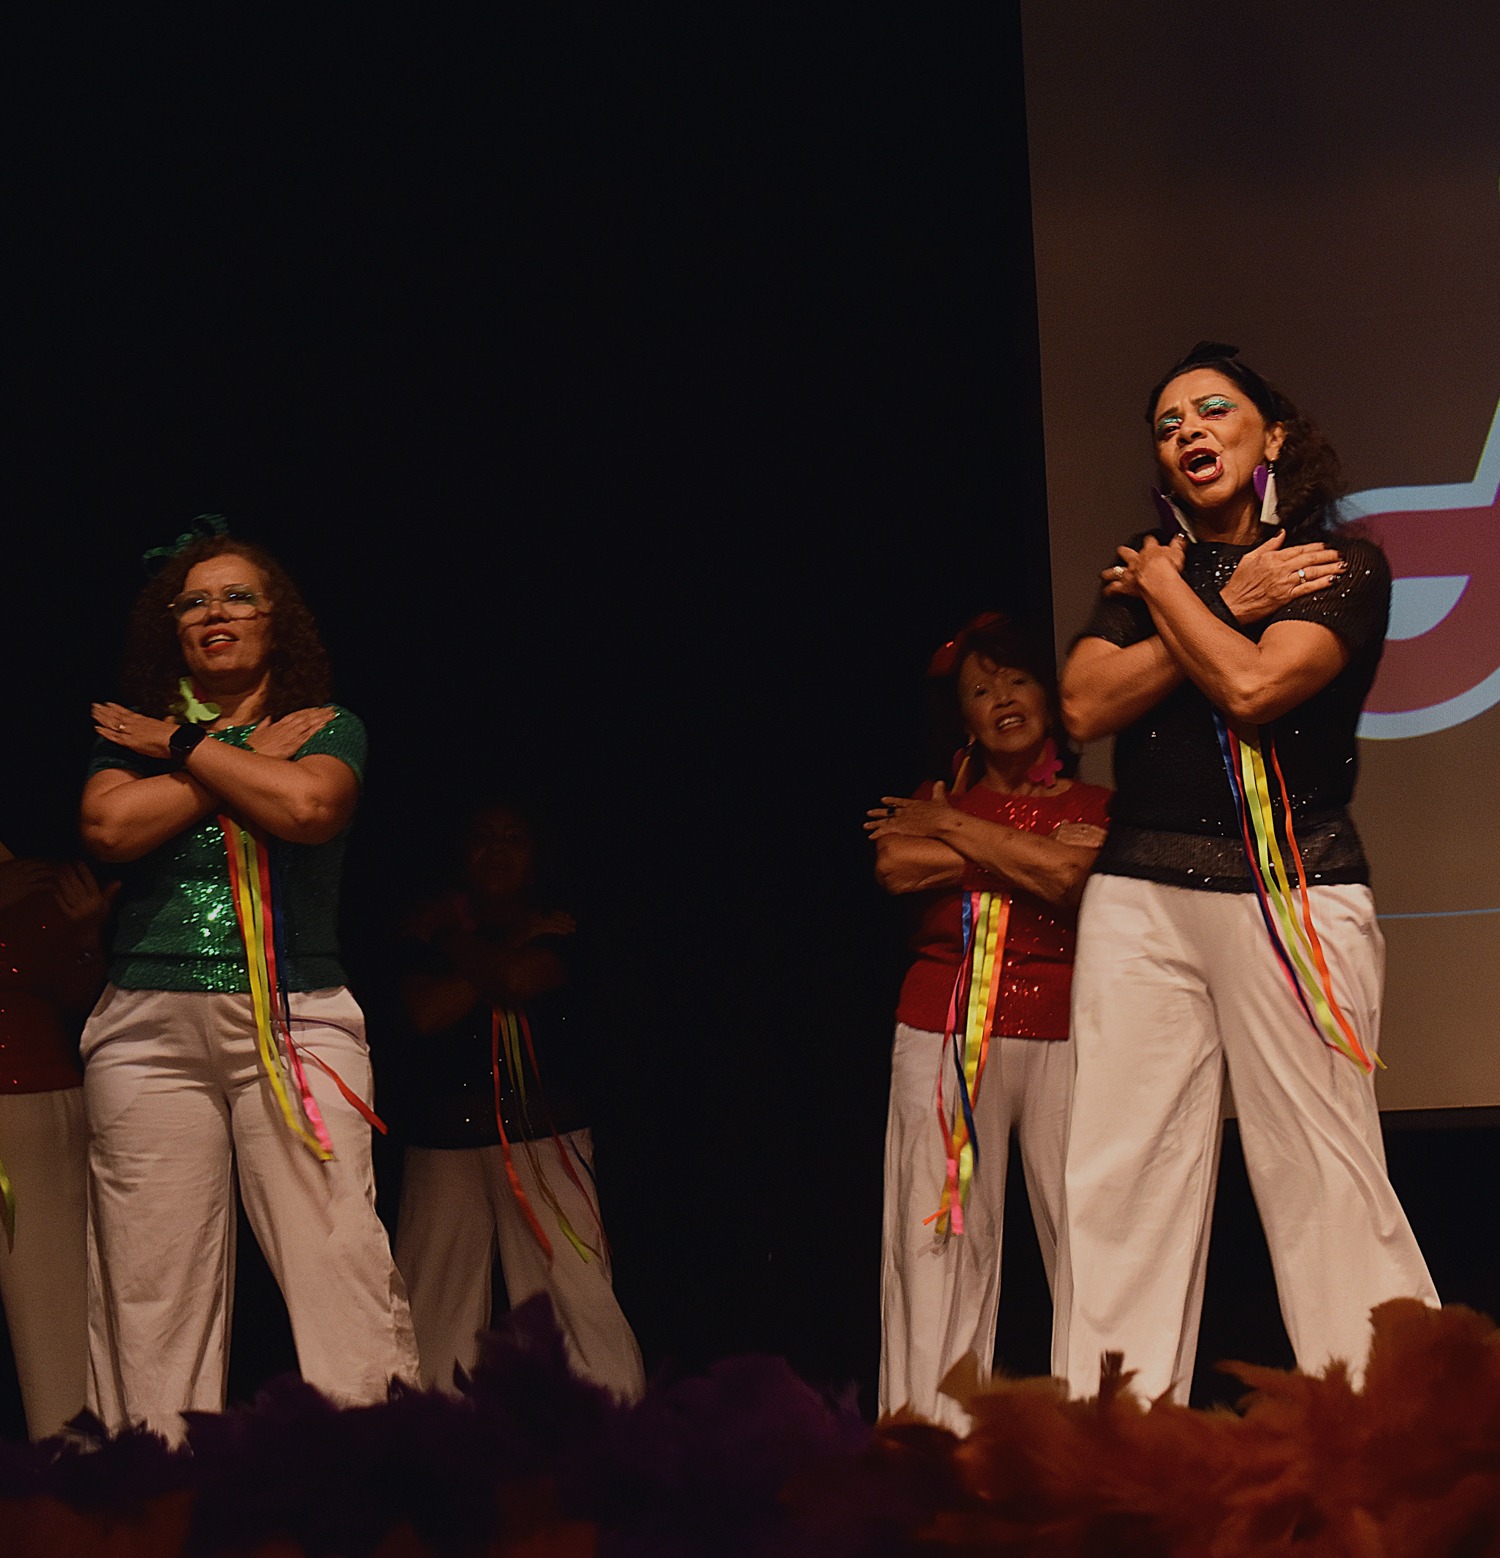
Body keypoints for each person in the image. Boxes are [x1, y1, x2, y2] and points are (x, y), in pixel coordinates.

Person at [1051, 341, 1438, 1405]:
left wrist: (1182, 599)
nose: (1188, 430)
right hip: (1140, 897)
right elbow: (1082, 704)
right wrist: (1207, 596)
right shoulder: (1151, 573)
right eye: (1168, 423)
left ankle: (1394, 1432)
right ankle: (1109, 1443)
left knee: (1323, 1170)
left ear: (1273, 436)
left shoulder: (1336, 565)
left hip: (1294, 891)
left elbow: (1258, 689)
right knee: (1119, 1177)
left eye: (1213, 409)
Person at [79, 527, 418, 1437]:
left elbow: (307, 806)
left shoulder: (327, 726)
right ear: (172, 628)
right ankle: (154, 1487)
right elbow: (109, 830)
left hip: (296, 1017)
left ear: (276, 621)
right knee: (150, 1283)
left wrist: (183, 748)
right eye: (193, 601)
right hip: (145, 1026)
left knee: (336, 1257)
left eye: (236, 596)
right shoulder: (135, 733)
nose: (214, 612)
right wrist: (225, 747)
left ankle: (378, 1477)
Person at [865, 614, 1110, 1430]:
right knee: (938, 1239)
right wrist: (1029, 849)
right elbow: (897, 865)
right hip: (941, 1029)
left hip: (1064, 1031)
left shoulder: (1098, 807)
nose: (1002, 697)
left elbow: (1073, 879)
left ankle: (1101, 1439)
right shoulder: (929, 804)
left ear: (1051, 698)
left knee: (1087, 1234)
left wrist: (952, 833)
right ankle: (930, 1439)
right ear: (964, 720)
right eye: (980, 689)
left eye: (1016, 680)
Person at [390, 800, 645, 1401]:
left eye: (514, 838)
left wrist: (455, 937)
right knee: (433, 1306)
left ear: (537, 855)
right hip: (445, 1144)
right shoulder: (421, 931)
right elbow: (427, 1013)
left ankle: (609, 1429)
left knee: (577, 1298)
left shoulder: (559, 925)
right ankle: (428, 1438)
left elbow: (517, 981)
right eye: (484, 836)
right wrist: (495, 948)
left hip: (545, 1141)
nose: (498, 851)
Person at [0, 844, 110, 1438]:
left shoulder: (37, 868)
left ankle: (77, 1474)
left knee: (56, 1316)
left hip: (33, 1103)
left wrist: (85, 934)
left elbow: (77, 995)